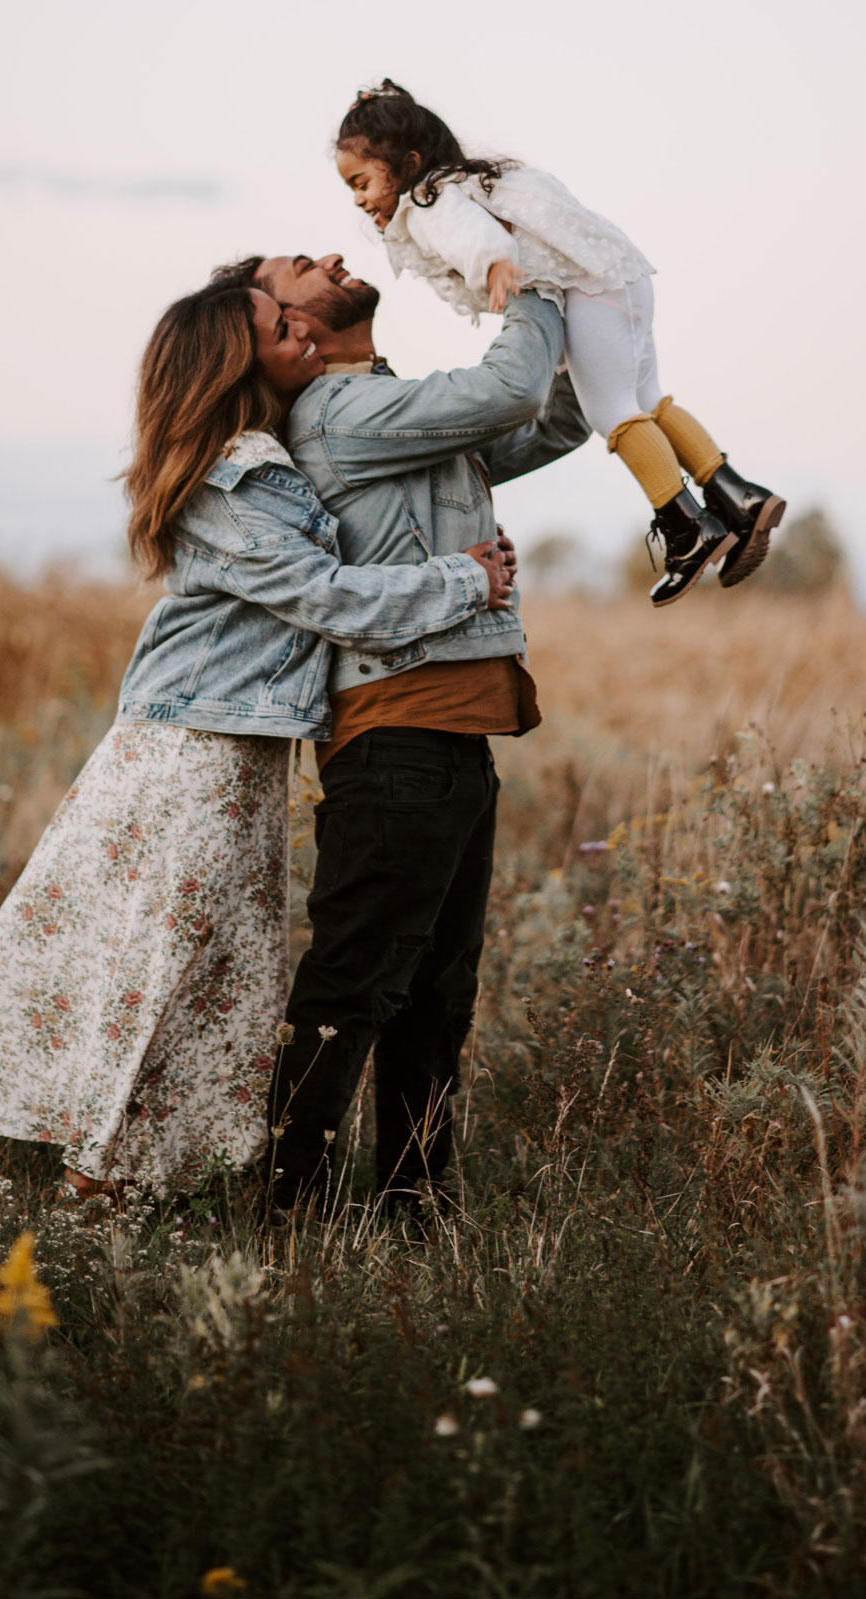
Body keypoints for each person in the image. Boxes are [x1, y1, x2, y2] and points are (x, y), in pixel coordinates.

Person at [0, 278, 512, 1197]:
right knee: (163, 964)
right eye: (278, 323)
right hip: (192, 753)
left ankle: (150, 1172)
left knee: (213, 974)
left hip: (237, 755)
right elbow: (323, 597)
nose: (302, 327)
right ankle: (105, 1180)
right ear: (231, 359)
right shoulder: (229, 474)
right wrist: (461, 581)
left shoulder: (280, 450)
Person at [214, 252, 588, 1215]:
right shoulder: (340, 415)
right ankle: (287, 1212)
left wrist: (610, 342)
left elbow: (552, 415)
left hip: (448, 735)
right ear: (285, 327)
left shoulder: (389, 410)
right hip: (396, 734)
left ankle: (412, 1210)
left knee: (435, 994)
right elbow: (510, 386)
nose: (330, 259)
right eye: (296, 274)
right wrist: (535, 277)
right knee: (353, 987)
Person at [332, 78, 786, 605]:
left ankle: (688, 527)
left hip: (586, 292)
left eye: (361, 182)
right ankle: (739, 496)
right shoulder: (471, 181)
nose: (360, 200)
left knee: (612, 414)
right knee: (649, 401)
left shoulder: (430, 203)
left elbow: (469, 235)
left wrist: (494, 263)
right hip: (619, 276)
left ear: (406, 164)